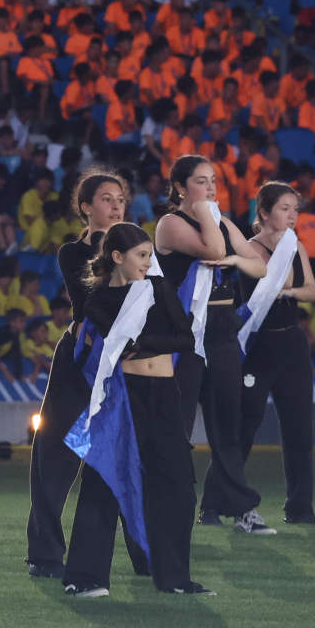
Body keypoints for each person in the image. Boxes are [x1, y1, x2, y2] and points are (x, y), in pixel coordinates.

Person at [62, 222, 210, 597]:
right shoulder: (97, 300)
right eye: (142, 256)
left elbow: (185, 338)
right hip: (124, 396)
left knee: (177, 486)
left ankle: (174, 578)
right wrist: (139, 344)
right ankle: (85, 578)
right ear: (117, 257)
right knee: (104, 481)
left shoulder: (158, 288)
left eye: (150, 255)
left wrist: (142, 342)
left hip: (163, 394)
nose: (149, 262)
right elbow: (115, 343)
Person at [154, 155, 272, 535]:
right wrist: (209, 216)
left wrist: (234, 253)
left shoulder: (220, 220)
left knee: (228, 424)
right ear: (179, 188)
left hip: (221, 329)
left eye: (213, 181)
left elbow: (259, 266)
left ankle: (238, 508)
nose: (210, 188)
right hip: (185, 332)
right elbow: (213, 251)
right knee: (178, 423)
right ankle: (170, 503)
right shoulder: (171, 223)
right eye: (201, 182)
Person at [25, 171, 129, 578]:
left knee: (126, 461)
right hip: (81, 358)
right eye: (106, 199)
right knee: (53, 454)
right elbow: (92, 299)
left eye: (120, 199)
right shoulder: (72, 252)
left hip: (124, 360)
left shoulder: (141, 248)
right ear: (86, 207)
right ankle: (45, 554)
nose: (116, 205)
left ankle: (146, 555)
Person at [237, 182, 315, 524]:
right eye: (285, 208)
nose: (292, 216)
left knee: (300, 428)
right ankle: (214, 503)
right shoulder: (248, 248)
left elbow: (311, 291)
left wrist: (289, 292)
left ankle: (300, 508)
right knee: (244, 425)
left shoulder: (295, 245)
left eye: (295, 209)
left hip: (292, 343)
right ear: (265, 212)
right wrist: (289, 290)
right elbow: (272, 287)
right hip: (259, 345)